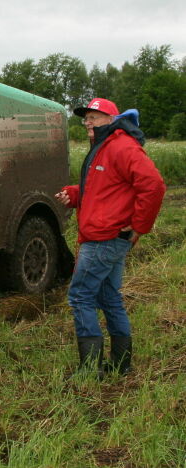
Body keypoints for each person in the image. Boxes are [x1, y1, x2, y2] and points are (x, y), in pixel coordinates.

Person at [55, 97, 165, 377]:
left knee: (80, 296)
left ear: (111, 119)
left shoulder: (121, 146)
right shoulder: (102, 148)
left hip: (105, 237)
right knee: (109, 297)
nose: (88, 123)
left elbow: (153, 186)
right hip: (104, 235)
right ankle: (120, 363)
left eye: (94, 117)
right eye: (86, 118)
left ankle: (90, 369)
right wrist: (76, 194)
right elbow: (105, 188)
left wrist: (139, 226)